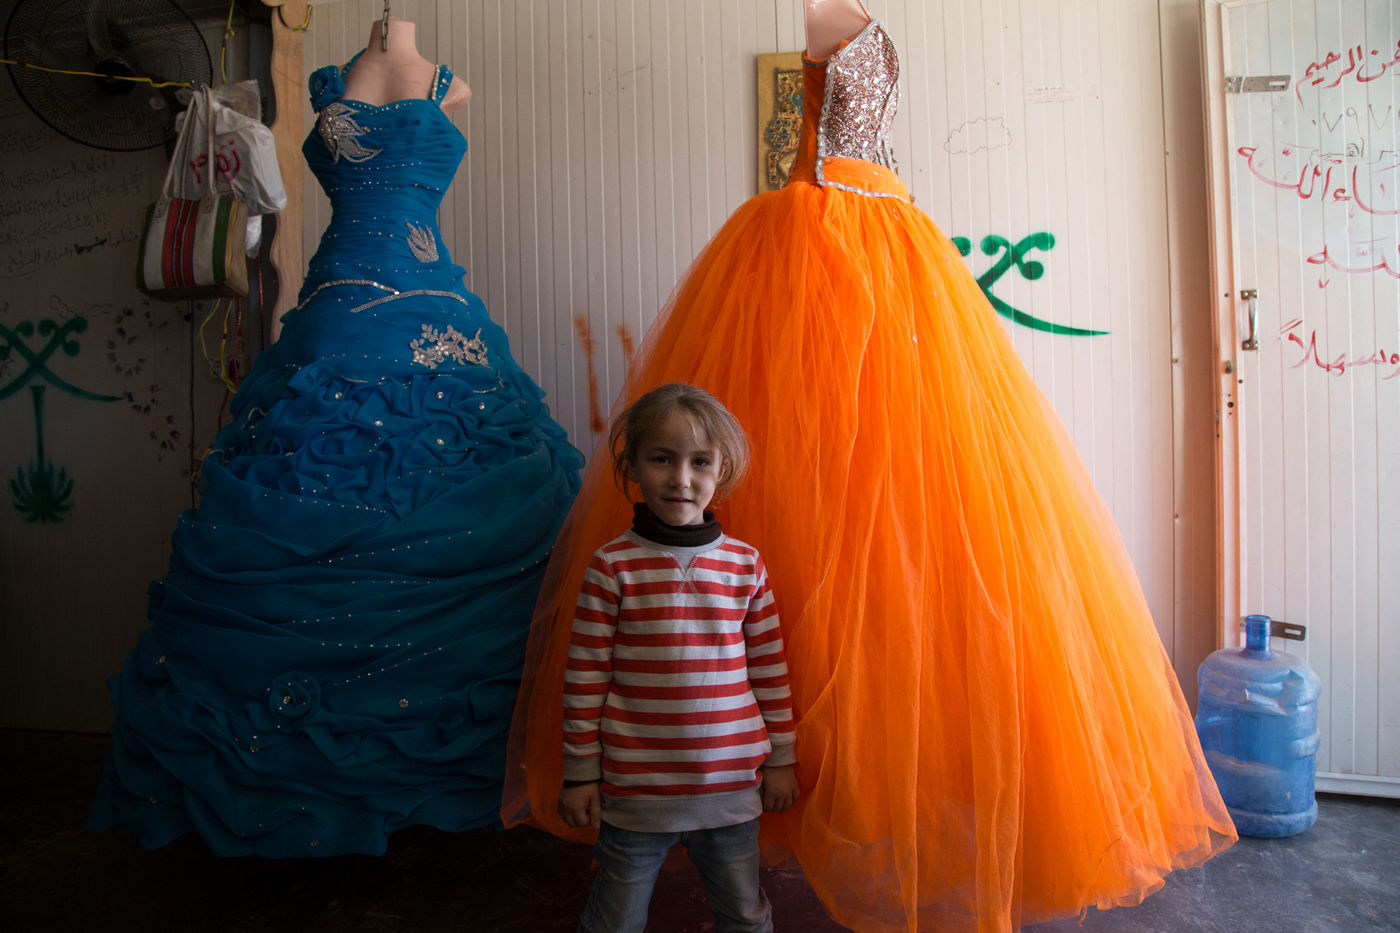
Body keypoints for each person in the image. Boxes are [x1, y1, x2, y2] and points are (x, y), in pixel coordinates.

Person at [504, 2, 1236, 931]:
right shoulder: (836, 26)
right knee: (812, 504)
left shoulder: (847, 32)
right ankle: (759, 776)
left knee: (892, 522)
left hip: (879, 254)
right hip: (834, 246)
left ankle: (841, 783)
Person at [88, 14, 583, 857]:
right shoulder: (326, 84)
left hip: (420, 295)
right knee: (310, 455)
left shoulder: (444, 84)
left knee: (436, 468)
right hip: (336, 298)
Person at [556, 383, 797, 933]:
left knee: (744, 915)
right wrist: (580, 775)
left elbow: (769, 670)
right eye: (662, 459)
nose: (680, 479)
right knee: (614, 922)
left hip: (731, 791)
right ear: (633, 465)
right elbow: (585, 678)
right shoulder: (612, 565)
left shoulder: (745, 566)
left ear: (722, 470)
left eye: (700, 462)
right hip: (635, 794)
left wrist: (781, 759)